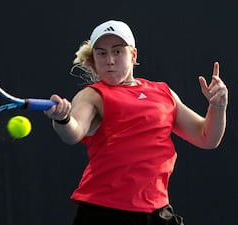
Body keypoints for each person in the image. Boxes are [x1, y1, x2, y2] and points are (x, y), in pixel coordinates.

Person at [44, 20, 228, 225]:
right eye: (101, 53)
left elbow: (207, 138)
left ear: (133, 55)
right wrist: (63, 119)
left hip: (157, 211)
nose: (110, 60)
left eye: (117, 51)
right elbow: (75, 132)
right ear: (94, 60)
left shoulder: (163, 92)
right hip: (104, 213)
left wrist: (218, 107)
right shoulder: (92, 96)